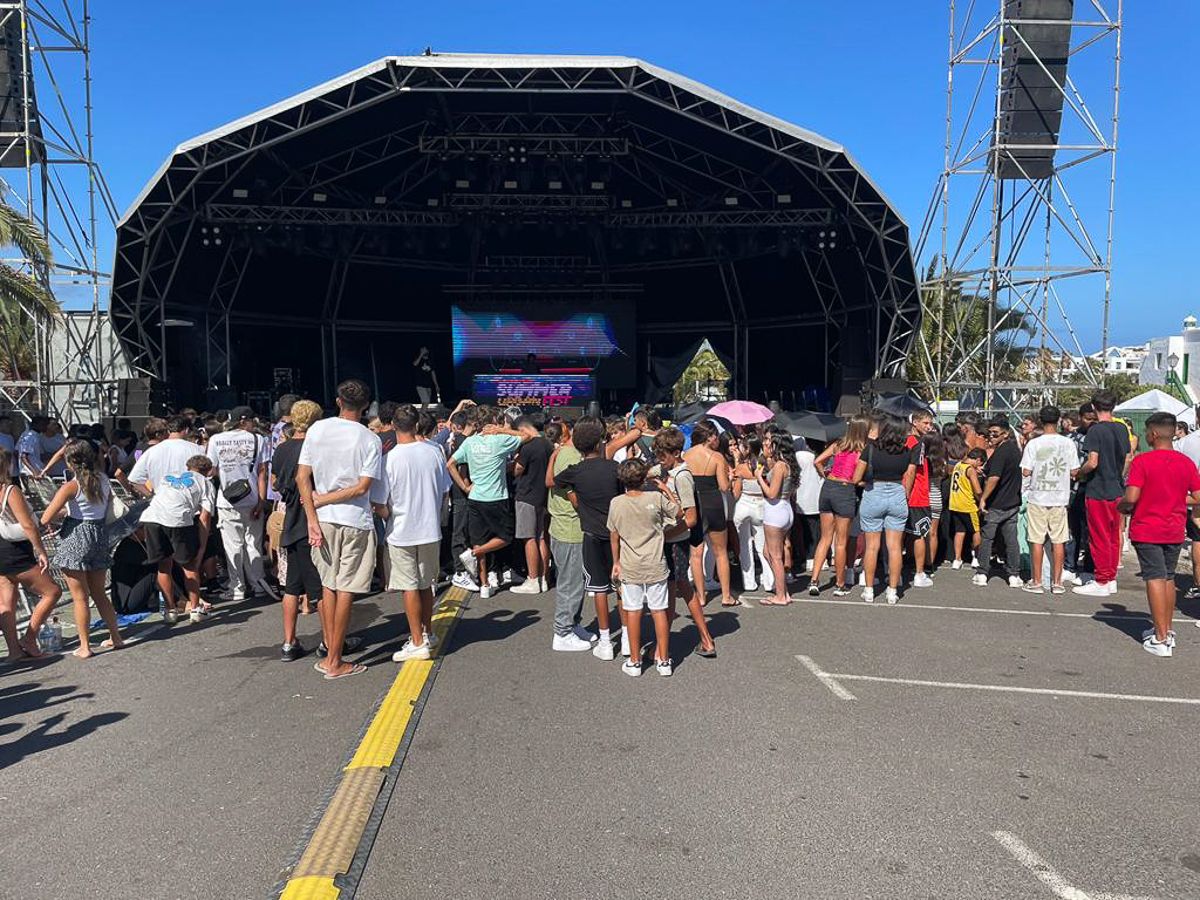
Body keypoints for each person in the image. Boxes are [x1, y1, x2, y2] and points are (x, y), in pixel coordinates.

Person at [298, 378, 383, 679]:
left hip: (322, 520)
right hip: (354, 520)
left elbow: (301, 478)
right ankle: (335, 660)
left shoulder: (317, 429)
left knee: (329, 585)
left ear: (337, 401)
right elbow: (363, 487)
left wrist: (312, 514)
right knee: (347, 587)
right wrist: (323, 501)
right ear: (366, 406)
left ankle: (330, 649)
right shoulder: (369, 439)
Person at [1121, 413, 1200, 657]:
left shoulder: (1143, 462)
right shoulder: (1185, 462)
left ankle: (1161, 637)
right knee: (1167, 578)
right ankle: (1166, 630)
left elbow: (1132, 497)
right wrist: (1176, 499)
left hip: (1148, 527)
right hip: (1174, 527)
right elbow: (1198, 497)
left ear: (1153, 434)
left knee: (1154, 578)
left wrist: (1122, 506)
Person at [380, 404, 452, 662]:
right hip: (430, 528)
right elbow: (445, 490)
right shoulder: (434, 453)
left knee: (408, 586)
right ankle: (427, 632)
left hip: (402, 530)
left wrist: (386, 514)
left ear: (392, 425)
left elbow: (380, 502)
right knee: (425, 584)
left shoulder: (389, 459)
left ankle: (417, 641)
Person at [39, 441, 122, 657]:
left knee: (79, 597)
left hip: (76, 536)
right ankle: (116, 637)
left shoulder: (71, 487)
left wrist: (64, 512)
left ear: (70, 461)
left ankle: (85, 646)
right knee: (99, 594)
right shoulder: (103, 480)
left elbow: (46, 517)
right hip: (99, 535)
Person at [127, 416, 213, 622]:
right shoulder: (201, 467)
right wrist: (201, 546)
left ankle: (170, 610)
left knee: (163, 565)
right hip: (180, 518)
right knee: (190, 565)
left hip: (154, 514)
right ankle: (195, 609)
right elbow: (205, 515)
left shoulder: (157, 458)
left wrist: (151, 496)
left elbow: (132, 479)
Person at [555, 418, 625, 660]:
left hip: (591, 536)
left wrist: (573, 491)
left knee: (599, 590)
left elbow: (556, 481)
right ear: (600, 441)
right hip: (618, 535)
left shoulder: (575, 471)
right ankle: (627, 637)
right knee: (621, 588)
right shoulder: (614, 468)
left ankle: (605, 641)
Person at [608, 458, 680, 677]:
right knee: (659, 610)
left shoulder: (616, 503)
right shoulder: (655, 497)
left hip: (631, 564)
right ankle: (664, 660)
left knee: (633, 611)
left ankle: (635, 660)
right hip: (656, 562)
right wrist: (666, 489)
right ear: (644, 478)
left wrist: (616, 562)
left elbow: (614, 534)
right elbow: (677, 512)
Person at [652, 427, 717, 657]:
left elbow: (691, 518)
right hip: (671, 540)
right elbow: (646, 472)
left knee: (675, 589)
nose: (659, 460)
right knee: (677, 588)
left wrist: (666, 535)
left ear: (677, 452)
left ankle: (666, 648)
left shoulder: (682, 476)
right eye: (657, 455)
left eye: (663, 455)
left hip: (676, 541)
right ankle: (699, 640)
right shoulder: (666, 469)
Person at [448, 407, 524, 600]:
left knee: (479, 538)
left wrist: (465, 488)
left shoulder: (470, 442)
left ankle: (484, 584)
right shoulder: (499, 440)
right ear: (491, 421)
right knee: (506, 537)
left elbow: (450, 464)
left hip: (475, 497)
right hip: (496, 497)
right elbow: (527, 435)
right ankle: (474, 553)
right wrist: (503, 431)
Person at [269, 400, 324, 661]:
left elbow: (276, 483)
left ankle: (289, 642)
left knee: (291, 586)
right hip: (312, 519)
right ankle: (330, 640)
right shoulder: (315, 448)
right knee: (321, 586)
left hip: (290, 518)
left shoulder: (281, 449)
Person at [206, 405, 272, 602]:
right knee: (253, 542)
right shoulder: (258, 439)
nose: (254, 425)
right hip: (252, 498)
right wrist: (261, 500)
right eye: (252, 421)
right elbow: (262, 473)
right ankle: (258, 583)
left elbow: (212, 470)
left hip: (227, 499)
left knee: (232, 545)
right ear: (244, 421)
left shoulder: (216, 440)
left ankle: (237, 587)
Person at [0, 448, 61, 658]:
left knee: (6, 602)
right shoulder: (10, 490)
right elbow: (27, 525)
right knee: (52, 591)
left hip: (1, 551)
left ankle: (14, 650)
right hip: (15, 551)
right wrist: (40, 549)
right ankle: (29, 637)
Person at [545, 419, 599, 652]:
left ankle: (572, 623)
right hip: (569, 527)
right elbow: (571, 491)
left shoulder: (563, 453)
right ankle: (563, 631)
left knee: (575, 580)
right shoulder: (570, 456)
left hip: (566, 526)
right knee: (571, 582)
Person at [853, 415, 916, 604]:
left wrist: (866, 483)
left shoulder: (870, 449)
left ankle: (869, 589)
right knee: (895, 546)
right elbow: (910, 474)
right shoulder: (907, 451)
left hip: (874, 492)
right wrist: (905, 494)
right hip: (897, 492)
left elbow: (856, 478)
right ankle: (892, 591)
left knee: (872, 546)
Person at [1074, 390, 1131, 596]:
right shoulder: (1121, 428)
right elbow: (1127, 458)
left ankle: (1102, 579)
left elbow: (1092, 462)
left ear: (1094, 406)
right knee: (1113, 535)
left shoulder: (1096, 431)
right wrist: (1118, 476)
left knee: (1098, 537)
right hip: (1116, 487)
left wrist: (1079, 474)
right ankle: (1110, 577)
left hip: (1098, 489)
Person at [1019, 406, 1079, 594]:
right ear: (1059, 420)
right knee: (1059, 540)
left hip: (1038, 496)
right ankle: (1057, 582)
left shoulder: (1034, 444)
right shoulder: (1067, 443)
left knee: (1036, 539)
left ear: (1040, 421)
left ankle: (1037, 581)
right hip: (1060, 496)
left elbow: (1026, 470)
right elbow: (1075, 470)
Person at [809, 416, 868, 596]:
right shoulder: (862, 451)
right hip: (845, 490)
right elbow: (857, 480)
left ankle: (814, 580)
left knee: (825, 538)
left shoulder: (838, 445)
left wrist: (825, 475)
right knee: (841, 542)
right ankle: (840, 583)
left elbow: (817, 461)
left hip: (828, 488)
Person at [683, 420, 735, 606]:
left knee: (695, 553)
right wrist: (730, 478)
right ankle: (726, 595)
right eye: (714, 435)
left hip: (694, 503)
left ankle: (701, 596)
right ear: (708, 436)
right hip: (713, 502)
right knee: (720, 551)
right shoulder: (717, 457)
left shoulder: (686, 455)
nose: (716, 439)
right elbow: (723, 487)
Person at [973, 417, 1024, 588]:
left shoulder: (1002, 452)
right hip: (1012, 502)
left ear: (1006, 433)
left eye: (995, 433)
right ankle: (1014, 574)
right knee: (1011, 539)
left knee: (987, 538)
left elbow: (994, 478)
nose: (991, 437)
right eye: (990, 434)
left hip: (997, 503)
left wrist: (984, 499)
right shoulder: (1014, 450)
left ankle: (982, 572)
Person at [511, 415, 553, 594]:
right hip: (543, 496)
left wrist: (510, 464)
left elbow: (517, 470)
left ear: (523, 430)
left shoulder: (528, 447)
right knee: (541, 537)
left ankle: (533, 579)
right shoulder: (547, 444)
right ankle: (544, 578)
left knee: (529, 538)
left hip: (527, 495)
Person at [758, 426, 799, 607]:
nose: (765, 442)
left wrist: (759, 478)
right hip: (784, 509)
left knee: (775, 555)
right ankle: (783, 590)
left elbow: (772, 493)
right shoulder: (785, 463)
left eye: (768, 439)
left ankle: (781, 595)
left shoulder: (781, 465)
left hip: (776, 510)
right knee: (768, 552)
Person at [731, 434, 771, 593]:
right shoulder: (765, 465)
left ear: (747, 449)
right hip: (760, 505)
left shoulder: (741, 468)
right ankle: (769, 581)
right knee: (763, 546)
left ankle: (749, 583)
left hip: (743, 505)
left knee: (745, 546)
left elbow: (735, 494)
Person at [905, 410, 936, 587]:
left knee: (901, 535)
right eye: (925, 423)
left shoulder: (906, 442)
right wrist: (907, 493)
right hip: (917, 496)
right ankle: (919, 573)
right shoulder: (916, 443)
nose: (928, 426)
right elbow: (911, 471)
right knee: (920, 534)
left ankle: (894, 571)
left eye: (930, 423)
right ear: (915, 422)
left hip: (910, 494)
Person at [949, 449, 986, 569]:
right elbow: (977, 490)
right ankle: (976, 557)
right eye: (980, 464)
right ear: (978, 460)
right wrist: (982, 499)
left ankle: (957, 559)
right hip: (967, 505)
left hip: (955, 503)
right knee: (976, 531)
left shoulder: (958, 465)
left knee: (959, 531)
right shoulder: (970, 470)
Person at [16, 415, 49, 480]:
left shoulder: (35, 436)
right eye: (43, 424)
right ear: (36, 425)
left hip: (37, 472)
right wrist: (34, 472)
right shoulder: (30, 437)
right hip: (31, 474)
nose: (45, 426)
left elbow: (39, 455)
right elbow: (23, 456)